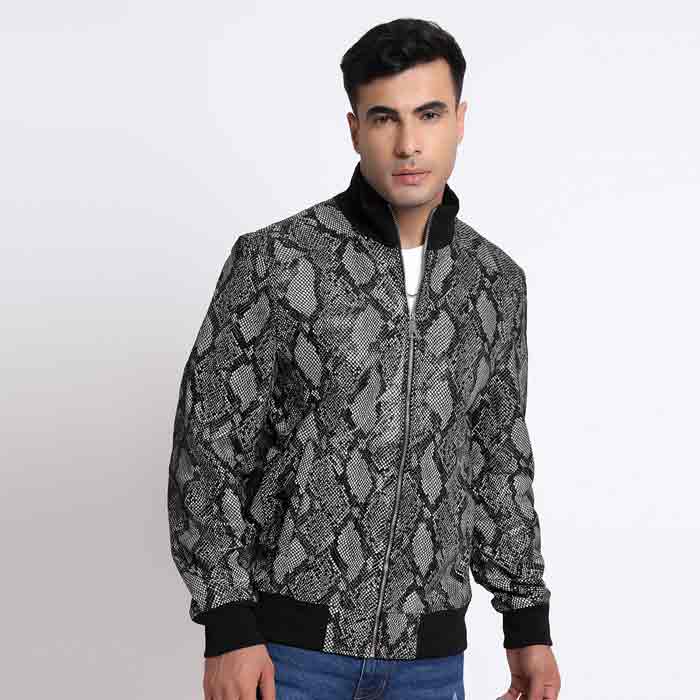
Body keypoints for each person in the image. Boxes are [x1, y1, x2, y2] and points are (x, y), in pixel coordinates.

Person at [167, 17, 562, 700]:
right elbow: (208, 444)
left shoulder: (496, 283)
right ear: (355, 129)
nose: (409, 143)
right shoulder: (278, 260)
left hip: (429, 662)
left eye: (429, 114)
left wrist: (527, 622)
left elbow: (498, 457)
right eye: (385, 118)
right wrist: (228, 625)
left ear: (460, 121)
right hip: (288, 654)